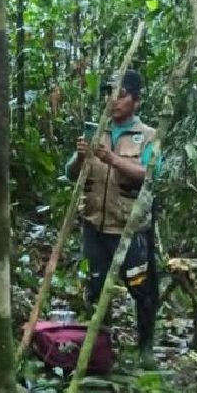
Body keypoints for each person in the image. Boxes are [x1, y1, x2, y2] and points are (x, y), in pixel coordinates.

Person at [65, 70, 162, 369]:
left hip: (130, 228)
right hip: (95, 224)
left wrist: (112, 159)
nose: (113, 100)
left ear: (137, 100)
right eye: (109, 93)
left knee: (141, 290)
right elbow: (71, 174)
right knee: (96, 288)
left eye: (120, 95)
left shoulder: (148, 136)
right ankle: (102, 351)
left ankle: (145, 348)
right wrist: (82, 157)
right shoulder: (98, 131)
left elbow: (151, 176)